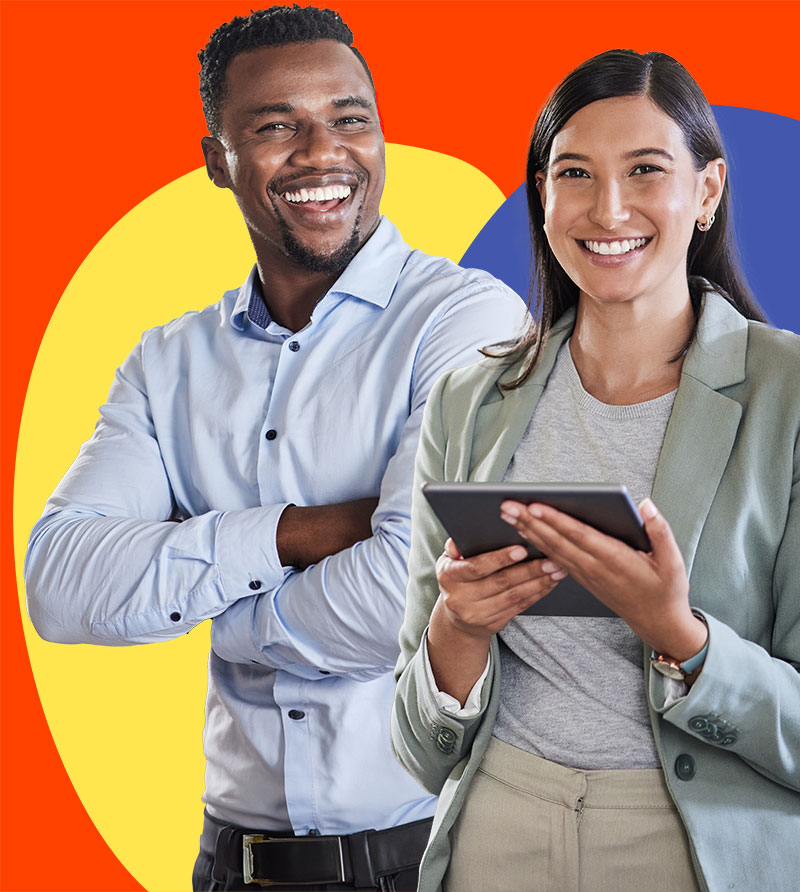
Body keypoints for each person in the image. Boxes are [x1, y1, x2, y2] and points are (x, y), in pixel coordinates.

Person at [23, 6, 525, 891]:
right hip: (230, 867)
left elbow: (413, 596)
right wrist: (291, 535)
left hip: (438, 857)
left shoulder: (465, 320)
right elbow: (61, 585)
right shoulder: (167, 363)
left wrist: (227, 611)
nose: (323, 153)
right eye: (276, 127)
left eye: (349, 118)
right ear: (218, 161)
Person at [391, 49, 800, 892]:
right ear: (542, 197)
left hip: (698, 855)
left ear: (707, 192)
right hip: (496, 838)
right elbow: (418, 752)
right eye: (574, 173)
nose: (608, 206)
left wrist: (681, 639)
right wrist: (457, 632)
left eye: (646, 170)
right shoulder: (466, 402)